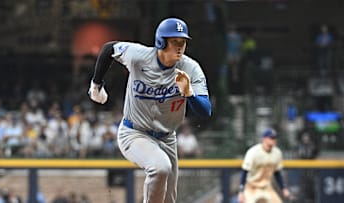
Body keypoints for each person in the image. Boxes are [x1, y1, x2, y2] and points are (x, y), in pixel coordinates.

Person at [88, 17, 211, 203]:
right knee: (160, 167)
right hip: (134, 132)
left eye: (183, 42)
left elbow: (205, 110)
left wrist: (188, 93)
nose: (180, 46)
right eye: (175, 41)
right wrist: (96, 85)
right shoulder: (139, 56)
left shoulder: (190, 68)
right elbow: (108, 49)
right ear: (161, 41)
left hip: (167, 138)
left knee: (169, 199)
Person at [238, 128, 291, 203]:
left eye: (275, 138)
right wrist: (241, 191)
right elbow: (245, 171)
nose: (274, 140)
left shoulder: (277, 153)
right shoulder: (253, 152)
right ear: (264, 139)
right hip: (252, 187)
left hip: (266, 187)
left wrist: (283, 188)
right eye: (271, 138)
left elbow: (277, 173)